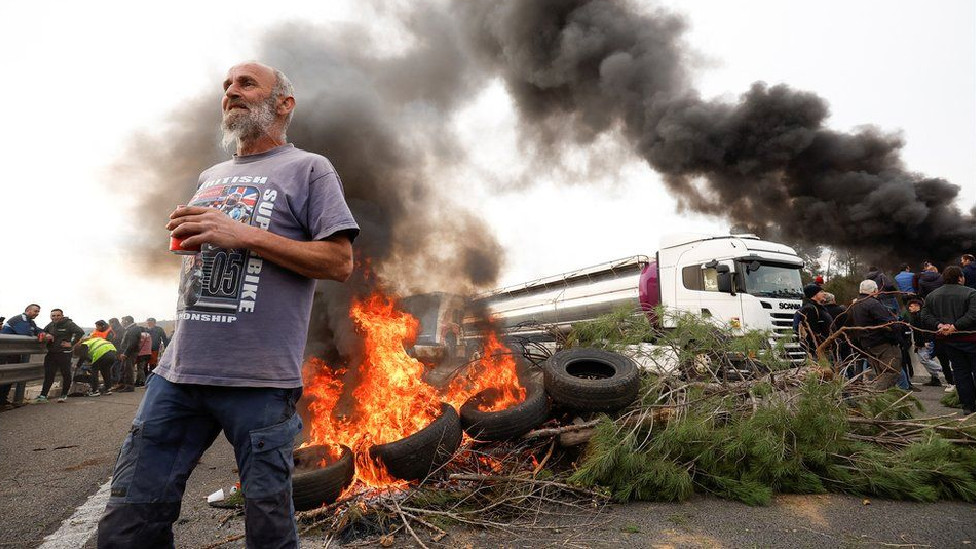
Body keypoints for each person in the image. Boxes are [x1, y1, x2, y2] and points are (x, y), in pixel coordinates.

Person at [97, 61, 359, 549]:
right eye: (226, 86)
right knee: (129, 521)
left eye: (246, 84)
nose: (231, 92)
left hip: (258, 382)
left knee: (268, 530)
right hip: (177, 374)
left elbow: (338, 261)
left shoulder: (309, 168)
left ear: (284, 104)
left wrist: (241, 233)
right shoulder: (210, 174)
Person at [920, 266, 976, 415]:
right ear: (960, 278)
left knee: (960, 372)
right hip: (971, 338)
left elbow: (924, 316)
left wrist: (940, 325)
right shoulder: (971, 293)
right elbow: (973, 314)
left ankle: (967, 406)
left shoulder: (932, 296)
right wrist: (955, 326)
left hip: (948, 341)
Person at [848, 280, 902, 390]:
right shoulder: (872, 303)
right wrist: (898, 329)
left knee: (881, 374)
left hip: (867, 344)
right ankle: (875, 397)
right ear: (874, 290)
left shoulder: (855, 304)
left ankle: (884, 401)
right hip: (882, 343)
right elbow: (889, 323)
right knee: (891, 372)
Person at [37, 309, 85, 403]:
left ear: (62, 316)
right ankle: (42, 396)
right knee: (49, 374)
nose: (55, 317)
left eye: (58, 315)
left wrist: (71, 343)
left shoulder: (68, 323)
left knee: (66, 374)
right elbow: (43, 331)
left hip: (64, 353)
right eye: (53, 316)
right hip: (52, 353)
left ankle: (63, 395)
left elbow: (80, 332)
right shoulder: (51, 324)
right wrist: (46, 335)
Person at [0, 304, 43, 406]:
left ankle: (2, 400)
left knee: (10, 376)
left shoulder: (30, 321)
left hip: (12, 352)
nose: (37, 314)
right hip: (5, 353)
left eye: (38, 312)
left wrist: (43, 333)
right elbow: (25, 332)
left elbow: (37, 329)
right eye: (35, 311)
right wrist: (38, 334)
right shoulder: (19, 319)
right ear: (28, 310)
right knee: (4, 375)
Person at [904, 297, 945, 386]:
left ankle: (944, 370)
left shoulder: (920, 317)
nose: (909, 308)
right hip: (921, 342)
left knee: (924, 360)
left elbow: (925, 330)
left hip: (925, 342)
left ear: (917, 306)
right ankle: (935, 379)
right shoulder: (915, 316)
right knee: (926, 359)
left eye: (911, 306)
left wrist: (925, 342)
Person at [793, 283, 833, 359]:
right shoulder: (810, 309)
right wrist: (821, 345)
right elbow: (812, 332)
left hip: (826, 348)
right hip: (819, 350)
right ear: (814, 295)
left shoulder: (819, 307)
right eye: (821, 292)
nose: (824, 294)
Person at [112, 316, 142, 393]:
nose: (121, 323)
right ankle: (121, 384)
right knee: (123, 369)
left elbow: (132, 343)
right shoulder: (129, 329)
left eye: (123, 321)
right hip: (126, 352)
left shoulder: (134, 329)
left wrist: (125, 353)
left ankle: (129, 386)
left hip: (130, 353)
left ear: (127, 321)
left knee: (128, 369)